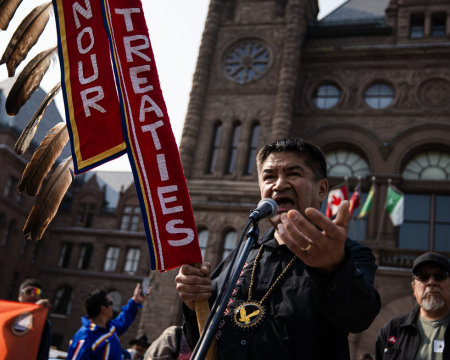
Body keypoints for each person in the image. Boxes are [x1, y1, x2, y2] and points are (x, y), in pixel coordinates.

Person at [176, 138, 381, 360]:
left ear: (321, 189)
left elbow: (359, 318)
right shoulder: (242, 254)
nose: (279, 184)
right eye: (269, 177)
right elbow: (201, 341)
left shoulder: (349, 254)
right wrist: (192, 302)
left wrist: (332, 269)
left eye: (293, 174)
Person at [375, 251, 450, 359]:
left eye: (440, 276)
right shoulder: (392, 330)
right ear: (414, 288)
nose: (431, 282)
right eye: (423, 277)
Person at [67, 283, 152, 360]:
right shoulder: (85, 336)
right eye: (111, 302)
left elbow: (124, 320)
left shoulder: (110, 327)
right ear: (103, 309)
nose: (113, 305)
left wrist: (135, 300)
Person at [18, 278, 52, 360]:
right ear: (20, 296)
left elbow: (43, 354)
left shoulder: (44, 324)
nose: (32, 295)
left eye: (36, 292)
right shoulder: (8, 315)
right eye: (28, 291)